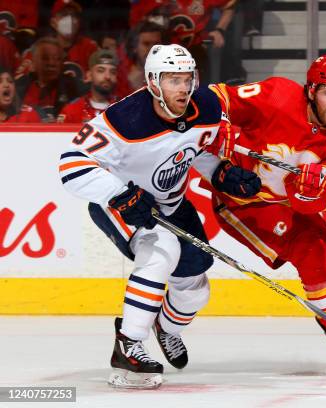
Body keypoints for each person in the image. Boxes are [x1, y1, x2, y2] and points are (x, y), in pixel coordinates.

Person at [58, 44, 261, 389]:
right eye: (172, 80)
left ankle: (166, 328)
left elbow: (195, 151)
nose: (183, 88)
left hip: (172, 204)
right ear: (153, 82)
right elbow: (70, 165)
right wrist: (120, 194)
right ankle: (129, 344)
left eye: (187, 79)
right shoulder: (123, 119)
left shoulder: (206, 106)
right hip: (121, 204)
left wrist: (221, 173)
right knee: (162, 249)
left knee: (195, 289)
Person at [203, 55, 326, 377]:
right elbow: (216, 97)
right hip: (241, 200)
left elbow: (316, 205)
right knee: (310, 249)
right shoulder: (277, 95)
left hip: (281, 204)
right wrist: (219, 127)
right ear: (311, 91)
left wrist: (310, 195)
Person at [15, 36, 81, 122]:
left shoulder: (72, 87)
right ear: (33, 61)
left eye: (57, 59)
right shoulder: (20, 85)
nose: (52, 63)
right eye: (45, 58)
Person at [57, 49, 119, 123]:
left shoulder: (125, 111)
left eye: (113, 72)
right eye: (101, 71)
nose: (108, 76)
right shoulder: (71, 111)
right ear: (89, 75)